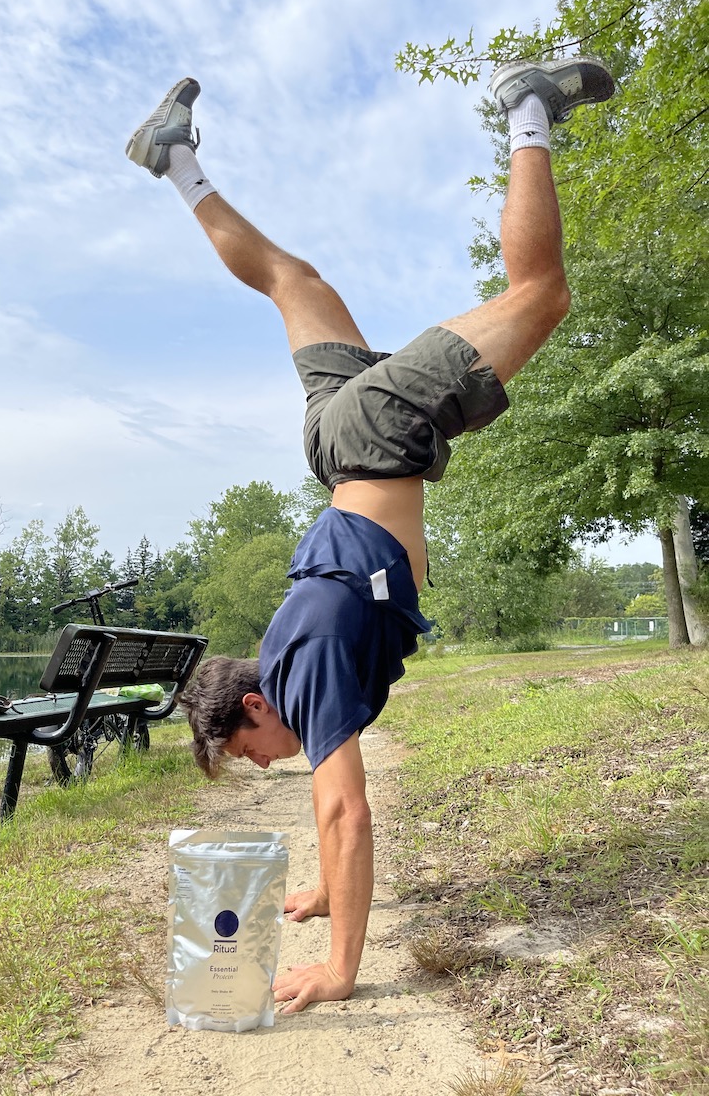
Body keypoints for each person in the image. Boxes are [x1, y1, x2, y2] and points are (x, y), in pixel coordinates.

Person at [125, 56, 615, 1014]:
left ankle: (526, 105)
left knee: (543, 293)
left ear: (255, 708)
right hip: (338, 441)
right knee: (291, 277)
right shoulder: (296, 658)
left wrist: (343, 968)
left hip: (376, 438)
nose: (267, 766)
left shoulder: (300, 669)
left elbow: (344, 811)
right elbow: (331, 816)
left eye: (249, 754)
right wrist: (318, 889)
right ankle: (174, 160)